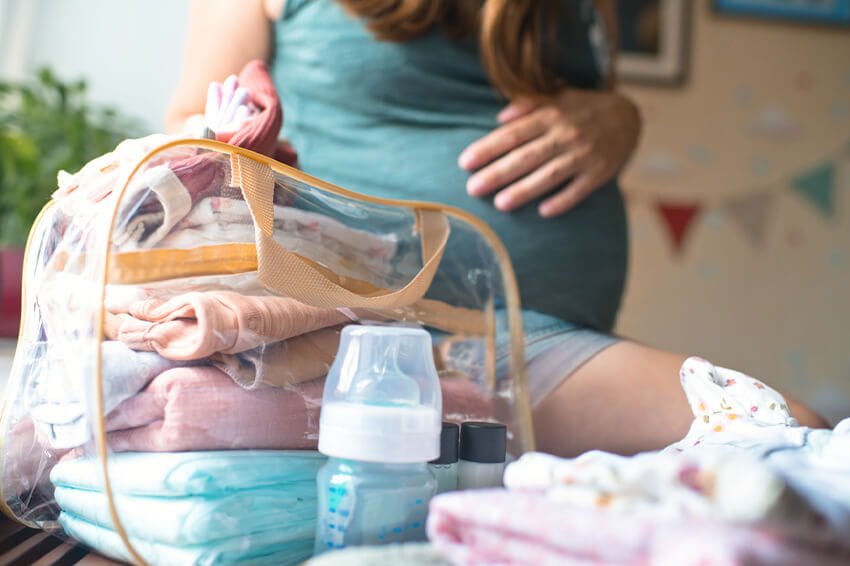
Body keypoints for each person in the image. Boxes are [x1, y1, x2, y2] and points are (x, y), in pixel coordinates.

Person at [166, 0, 827, 457]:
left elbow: (589, 106)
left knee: (786, 432)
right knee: (788, 427)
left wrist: (618, 115)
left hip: (544, 340)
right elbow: (190, 124)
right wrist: (238, 133)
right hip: (384, 332)